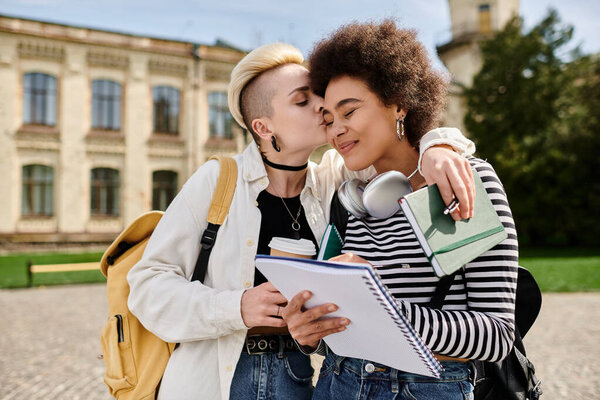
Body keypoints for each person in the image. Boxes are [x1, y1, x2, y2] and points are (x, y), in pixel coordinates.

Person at [126, 42, 476, 400]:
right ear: (263, 127)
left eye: (319, 96)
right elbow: (147, 286)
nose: (323, 107)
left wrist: (440, 144)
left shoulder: (334, 179)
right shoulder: (218, 179)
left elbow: (400, 148)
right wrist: (237, 306)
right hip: (214, 379)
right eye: (302, 100)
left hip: (298, 377)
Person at [282, 21, 519, 400]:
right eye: (328, 119)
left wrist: (379, 305)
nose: (336, 131)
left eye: (349, 112)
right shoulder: (350, 200)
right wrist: (309, 332)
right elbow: (344, 328)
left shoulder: (460, 181)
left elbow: (495, 335)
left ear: (398, 103)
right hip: (338, 383)